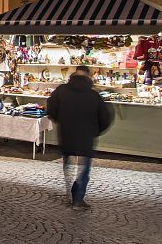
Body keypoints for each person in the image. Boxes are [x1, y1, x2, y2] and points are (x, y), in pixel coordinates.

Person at [45, 65, 113, 210]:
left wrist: (61, 121)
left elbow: (51, 110)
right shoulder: (93, 95)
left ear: (73, 75)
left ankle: (69, 192)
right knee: (83, 169)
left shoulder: (61, 91)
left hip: (66, 135)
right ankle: (78, 199)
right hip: (85, 138)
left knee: (68, 165)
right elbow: (105, 118)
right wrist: (95, 131)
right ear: (88, 77)